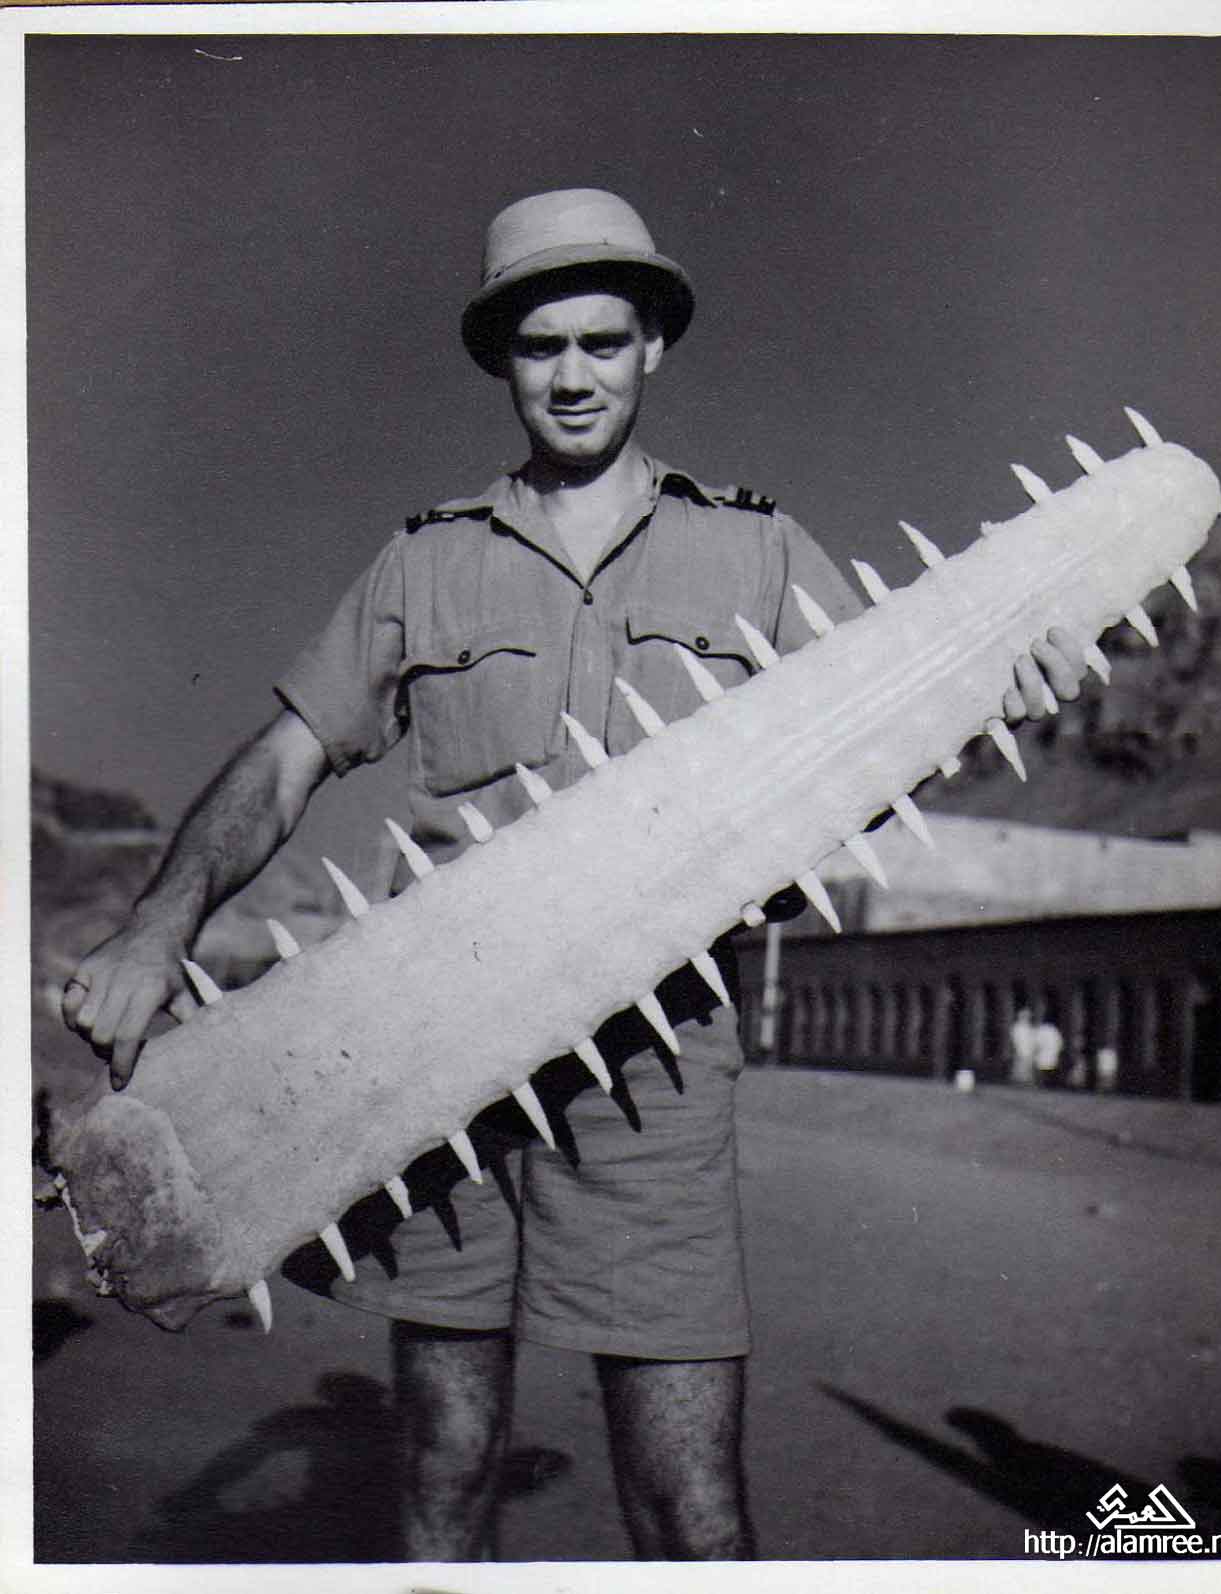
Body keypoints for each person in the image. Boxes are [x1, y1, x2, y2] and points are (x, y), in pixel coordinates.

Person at [61, 188, 1086, 1561]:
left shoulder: (759, 548)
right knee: (444, 1464)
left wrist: (1000, 696)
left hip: (657, 1080)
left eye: (604, 340)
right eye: (541, 346)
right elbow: (285, 762)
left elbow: (880, 734)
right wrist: (155, 927)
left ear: (653, 345)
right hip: (429, 1074)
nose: (574, 374)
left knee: (689, 1500)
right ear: (503, 360)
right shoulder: (424, 562)